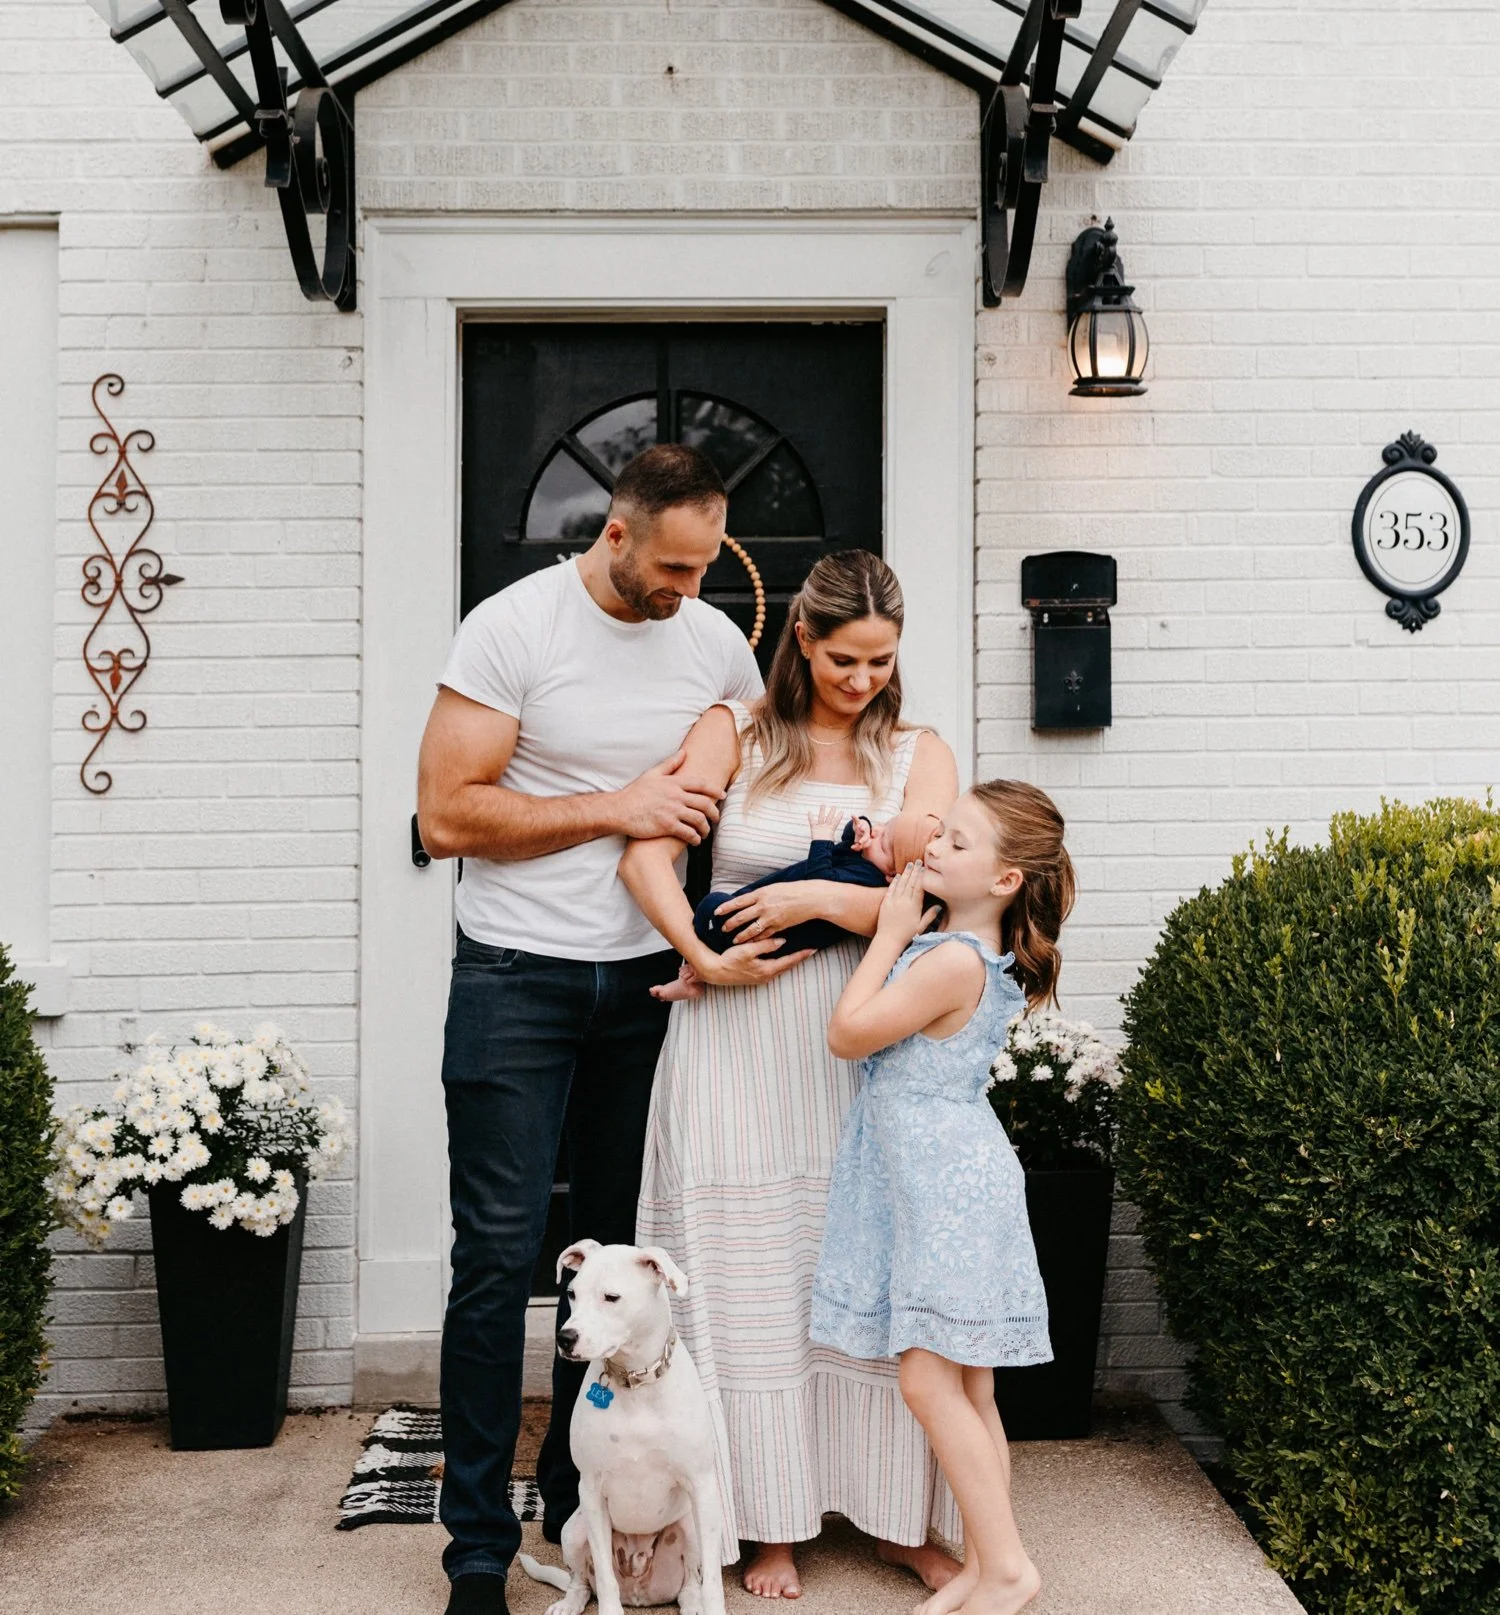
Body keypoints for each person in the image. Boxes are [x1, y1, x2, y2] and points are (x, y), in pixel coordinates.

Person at [415, 444, 800, 1615]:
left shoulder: (713, 642)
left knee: (622, 1264)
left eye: (705, 566)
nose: (690, 588)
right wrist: (616, 807)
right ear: (616, 535)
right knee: (495, 1260)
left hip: (644, 989)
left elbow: (737, 769)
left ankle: (563, 1497)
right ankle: (476, 1548)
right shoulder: (512, 629)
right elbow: (445, 814)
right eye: (672, 565)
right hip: (515, 979)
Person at [619, 550, 963, 1601]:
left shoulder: (919, 754)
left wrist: (817, 900)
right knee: (745, 1275)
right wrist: (700, 945)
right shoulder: (739, 734)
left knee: (863, 1268)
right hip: (733, 1040)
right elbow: (640, 855)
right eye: (845, 658)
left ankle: (900, 1516)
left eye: (883, 661)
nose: (864, 679)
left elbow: (942, 905)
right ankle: (764, 1522)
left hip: (863, 1043)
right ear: (803, 641)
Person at [810, 781, 1077, 1615]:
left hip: (944, 1183)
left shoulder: (952, 958)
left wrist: (887, 936)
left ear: (1005, 880)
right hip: (950, 1172)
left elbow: (847, 1033)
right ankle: (989, 1559)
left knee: (929, 1380)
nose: (936, 847)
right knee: (972, 1387)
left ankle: (1005, 1567)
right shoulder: (966, 949)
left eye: (959, 844)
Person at [651, 806, 915, 1003]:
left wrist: (822, 838)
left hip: (776, 935)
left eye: (884, 842)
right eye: (883, 826)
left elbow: (820, 883)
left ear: (892, 876)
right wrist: (864, 827)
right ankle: (692, 975)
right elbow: (849, 841)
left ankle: (693, 975)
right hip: (758, 911)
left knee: (712, 909)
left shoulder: (868, 878)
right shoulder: (865, 857)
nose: (877, 833)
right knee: (721, 924)